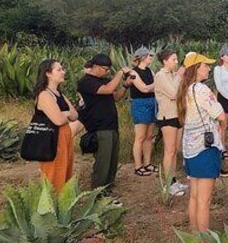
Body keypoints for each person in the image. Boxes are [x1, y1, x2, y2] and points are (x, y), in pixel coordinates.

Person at [177, 52, 228, 232]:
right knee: (204, 201)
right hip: (205, 148)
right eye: (205, 65)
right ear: (196, 69)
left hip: (190, 147)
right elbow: (220, 114)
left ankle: (194, 235)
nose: (208, 68)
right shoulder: (202, 90)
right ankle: (205, 242)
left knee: (194, 197)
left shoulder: (184, 89)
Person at [77, 53, 132, 195]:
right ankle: (98, 193)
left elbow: (115, 97)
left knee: (112, 162)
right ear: (95, 66)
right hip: (99, 127)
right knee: (103, 162)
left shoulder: (104, 81)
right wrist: (120, 73)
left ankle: (108, 189)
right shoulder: (86, 82)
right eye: (105, 68)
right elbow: (107, 90)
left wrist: (125, 85)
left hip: (112, 125)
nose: (107, 72)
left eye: (109, 69)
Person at [33, 59, 79, 192]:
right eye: (59, 70)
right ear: (48, 74)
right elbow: (58, 120)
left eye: (62, 69)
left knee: (65, 171)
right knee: (54, 175)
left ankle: (62, 206)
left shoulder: (59, 94)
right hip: (51, 139)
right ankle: (51, 207)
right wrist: (65, 114)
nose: (63, 72)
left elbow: (75, 115)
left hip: (64, 136)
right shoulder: (44, 95)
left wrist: (63, 114)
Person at [155, 50, 188, 197]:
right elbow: (174, 94)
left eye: (176, 59)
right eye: (173, 59)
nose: (176, 62)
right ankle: (168, 184)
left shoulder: (174, 75)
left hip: (177, 115)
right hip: (167, 116)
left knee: (175, 150)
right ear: (165, 61)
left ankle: (174, 180)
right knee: (169, 150)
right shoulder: (160, 76)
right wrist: (180, 76)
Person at [129, 47, 157, 177]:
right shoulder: (133, 72)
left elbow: (150, 87)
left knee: (149, 136)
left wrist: (151, 87)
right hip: (140, 103)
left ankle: (147, 163)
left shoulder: (150, 71)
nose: (151, 57)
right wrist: (154, 86)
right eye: (149, 55)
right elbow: (143, 89)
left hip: (152, 102)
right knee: (140, 136)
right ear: (142, 57)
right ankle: (138, 165)